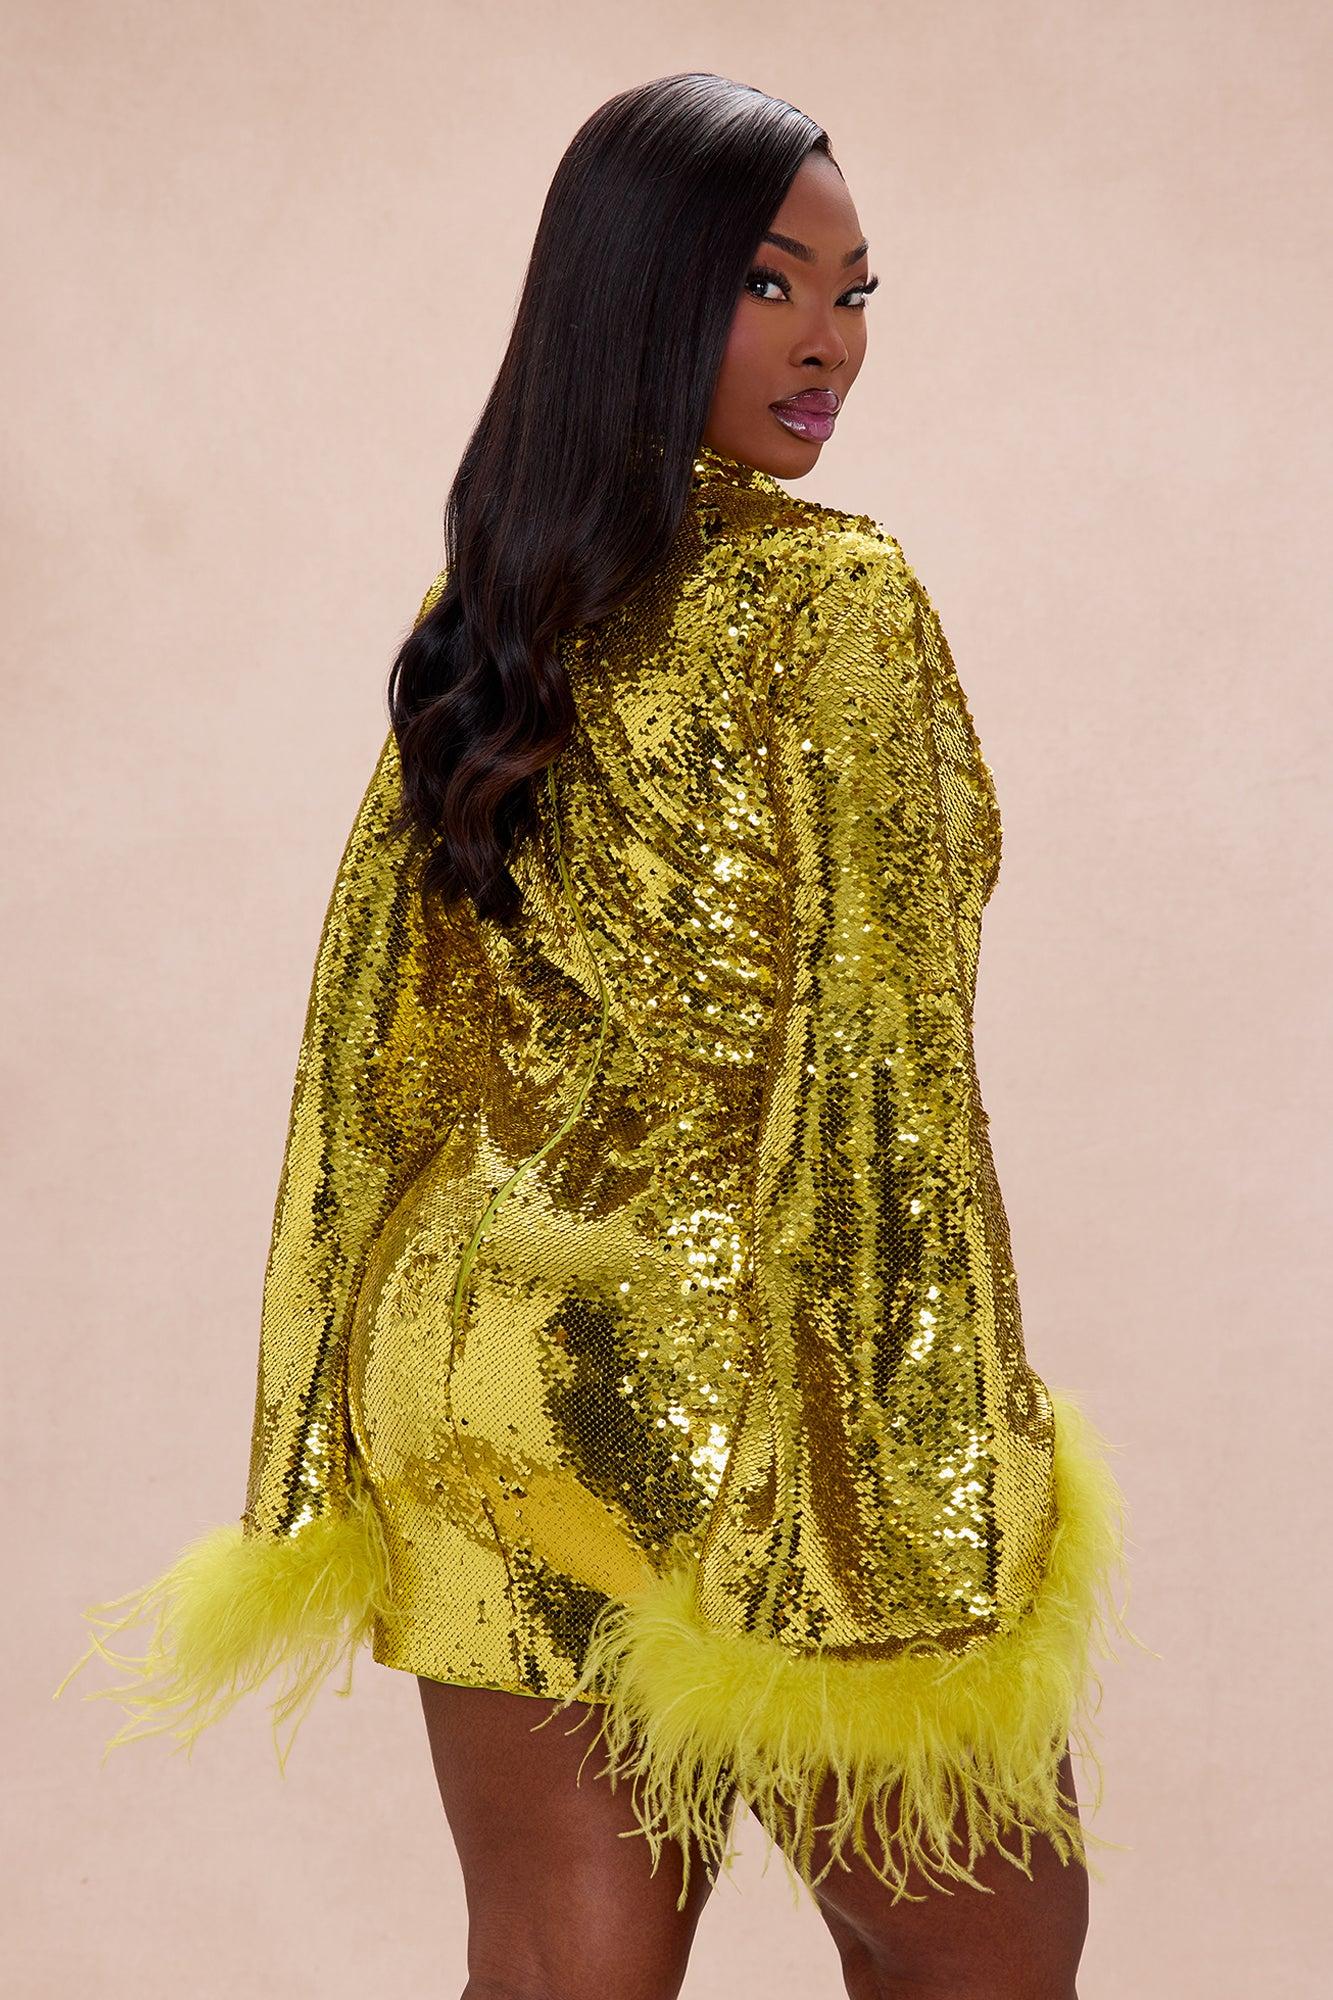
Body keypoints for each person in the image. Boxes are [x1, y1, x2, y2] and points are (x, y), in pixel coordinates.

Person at [56, 71, 1136, 2000]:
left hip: (474, 1364)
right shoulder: (832, 598)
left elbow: (379, 1029)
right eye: (767, 285)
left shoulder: (495, 603)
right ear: (635, 297)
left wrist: (329, 1400)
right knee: (992, 1957)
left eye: (857, 293)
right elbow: (881, 1076)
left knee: (558, 1969)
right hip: (739, 1367)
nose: (828, 343)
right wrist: (932, 1464)